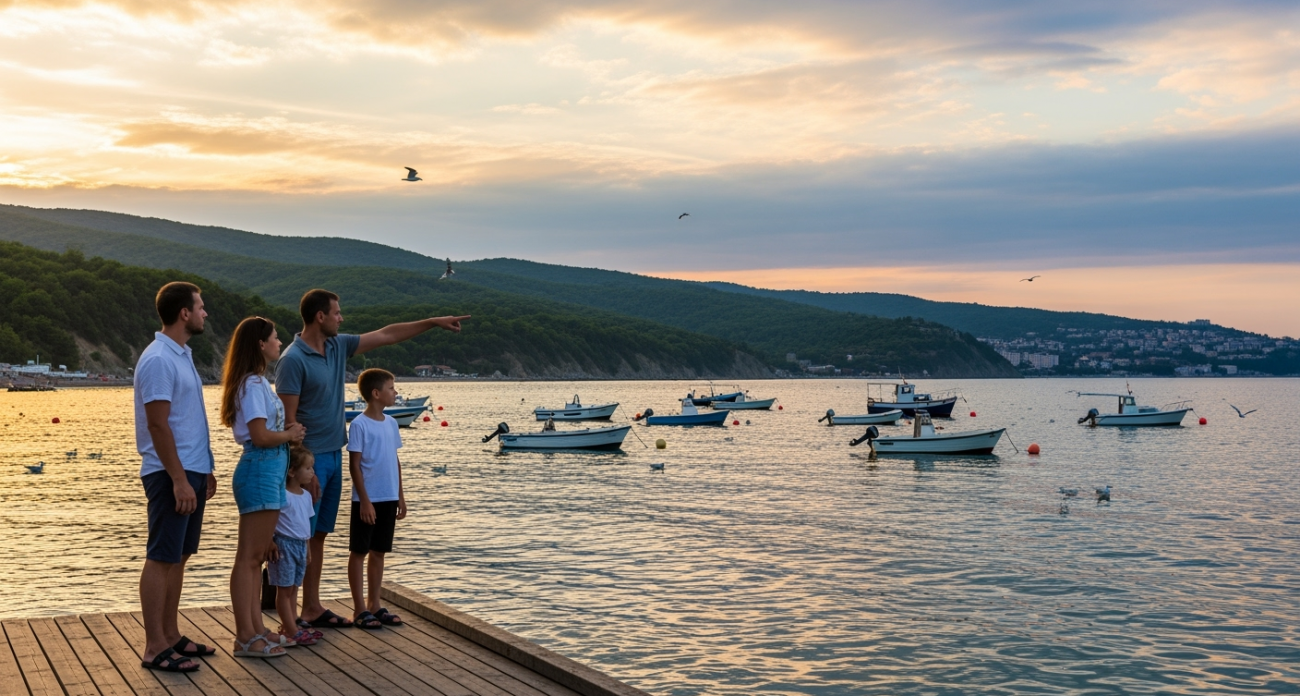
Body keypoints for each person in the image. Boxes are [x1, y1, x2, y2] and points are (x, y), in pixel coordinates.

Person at [275, 289, 467, 629]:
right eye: (337, 313)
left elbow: (387, 334)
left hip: (334, 452)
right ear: (320, 316)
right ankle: (296, 613)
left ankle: (312, 606)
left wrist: (432, 323)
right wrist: (305, 471)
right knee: (302, 535)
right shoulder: (292, 360)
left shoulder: (336, 346)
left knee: (318, 534)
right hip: (311, 461)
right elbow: (289, 422)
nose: (341, 318)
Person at [134, 281, 217, 672]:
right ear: (184, 313)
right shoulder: (158, 359)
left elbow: (189, 420)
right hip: (170, 474)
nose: (204, 313)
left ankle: (170, 634)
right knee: (161, 556)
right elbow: (158, 425)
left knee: (180, 557)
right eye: (200, 307)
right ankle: (154, 647)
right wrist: (180, 479)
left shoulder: (182, 355)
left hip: (192, 470)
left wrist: (205, 468)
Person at [220, 316, 306, 659]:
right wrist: (290, 435)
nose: (279, 342)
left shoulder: (256, 382)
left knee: (257, 559)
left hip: (267, 472)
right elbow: (259, 436)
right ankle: (245, 636)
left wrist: (286, 436)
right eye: (274, 338)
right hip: (259, 470)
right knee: (249, 559)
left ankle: (256, 629)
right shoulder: (253, 385)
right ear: (260, 344)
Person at [347, 369, 406, 629]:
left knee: (379, 551)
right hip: (367, 499)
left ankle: (375, 603)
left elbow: (395, 461)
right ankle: (359, 608)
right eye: (391, 388)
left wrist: (400, 496)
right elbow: (355, 466)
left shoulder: (391, 423)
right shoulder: (360, 424)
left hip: (389, 496)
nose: (395, 392)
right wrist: (365, 500)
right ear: (376, 393)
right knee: (359, 551)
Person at [269, 445, 319, 646]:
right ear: (291, 471)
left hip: (299, 545)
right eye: (307, 468)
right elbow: (272, 521)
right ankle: (290, 628)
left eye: (312, 468)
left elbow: (305, 524)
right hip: (284, 544)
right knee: (285, 589)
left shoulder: (306, 496)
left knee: (294, 588)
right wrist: (270, 541)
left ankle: (292, 625)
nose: (312, 472)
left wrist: (307, 549)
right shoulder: (282, 495)